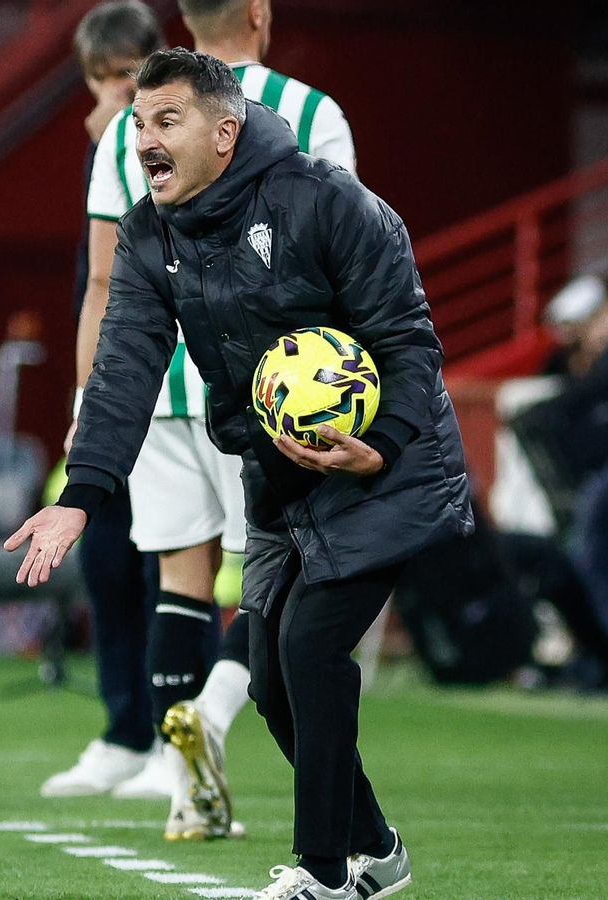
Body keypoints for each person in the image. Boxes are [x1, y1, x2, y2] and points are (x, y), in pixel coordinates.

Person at [8, 49, 471, 898]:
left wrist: (386, 443)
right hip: (277, 474)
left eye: (166, 121)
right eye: (137, 123)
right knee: (270, 686)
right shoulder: (152, 231)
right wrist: (81, 496)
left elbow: (409, 342)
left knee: (310, 646)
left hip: (389, 468)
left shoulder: (327, 202)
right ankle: (380, 850)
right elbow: (124, 368)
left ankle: (325, 875)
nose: (143, 140)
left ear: (225, 133)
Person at [74, 0, 357, 838]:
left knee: (179, 581)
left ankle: (183, 786)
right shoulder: (309, 110)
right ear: (261, 15)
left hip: (155, 393)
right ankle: (215, 721)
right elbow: (345, 245)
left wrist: (88, 406)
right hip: (266, 391)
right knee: (274, 581)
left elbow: (99, 285)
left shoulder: (129, 126)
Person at [39, 0, 167, 804]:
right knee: (110, 560)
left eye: (131, 75)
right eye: (106, 79)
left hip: (175, 382)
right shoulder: (107, 147)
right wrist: (86, 397)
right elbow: (97, 282)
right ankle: (125, 729)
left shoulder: (178, 133)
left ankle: (171, 732)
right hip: (117, 380)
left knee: (169, 568)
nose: (121, 94)